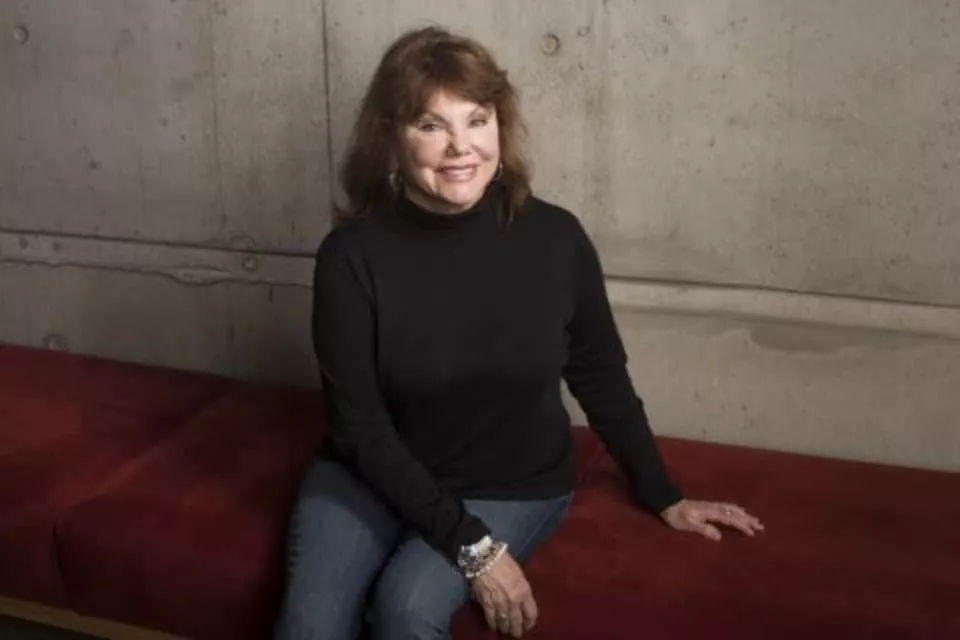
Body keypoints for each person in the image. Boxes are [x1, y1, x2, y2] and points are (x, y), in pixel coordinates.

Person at [274, 25, 764, 640]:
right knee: (310, 626)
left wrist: (663, 493)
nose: (460, 147)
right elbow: (359, 429)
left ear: (500, 128)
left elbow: (600, 376)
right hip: (370, 476)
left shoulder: (556, 239)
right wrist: (473, 548)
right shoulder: (350, 257)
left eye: (476, 120)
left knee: (406, 609)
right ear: (391, 138)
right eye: (431, 125)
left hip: (508, 483)